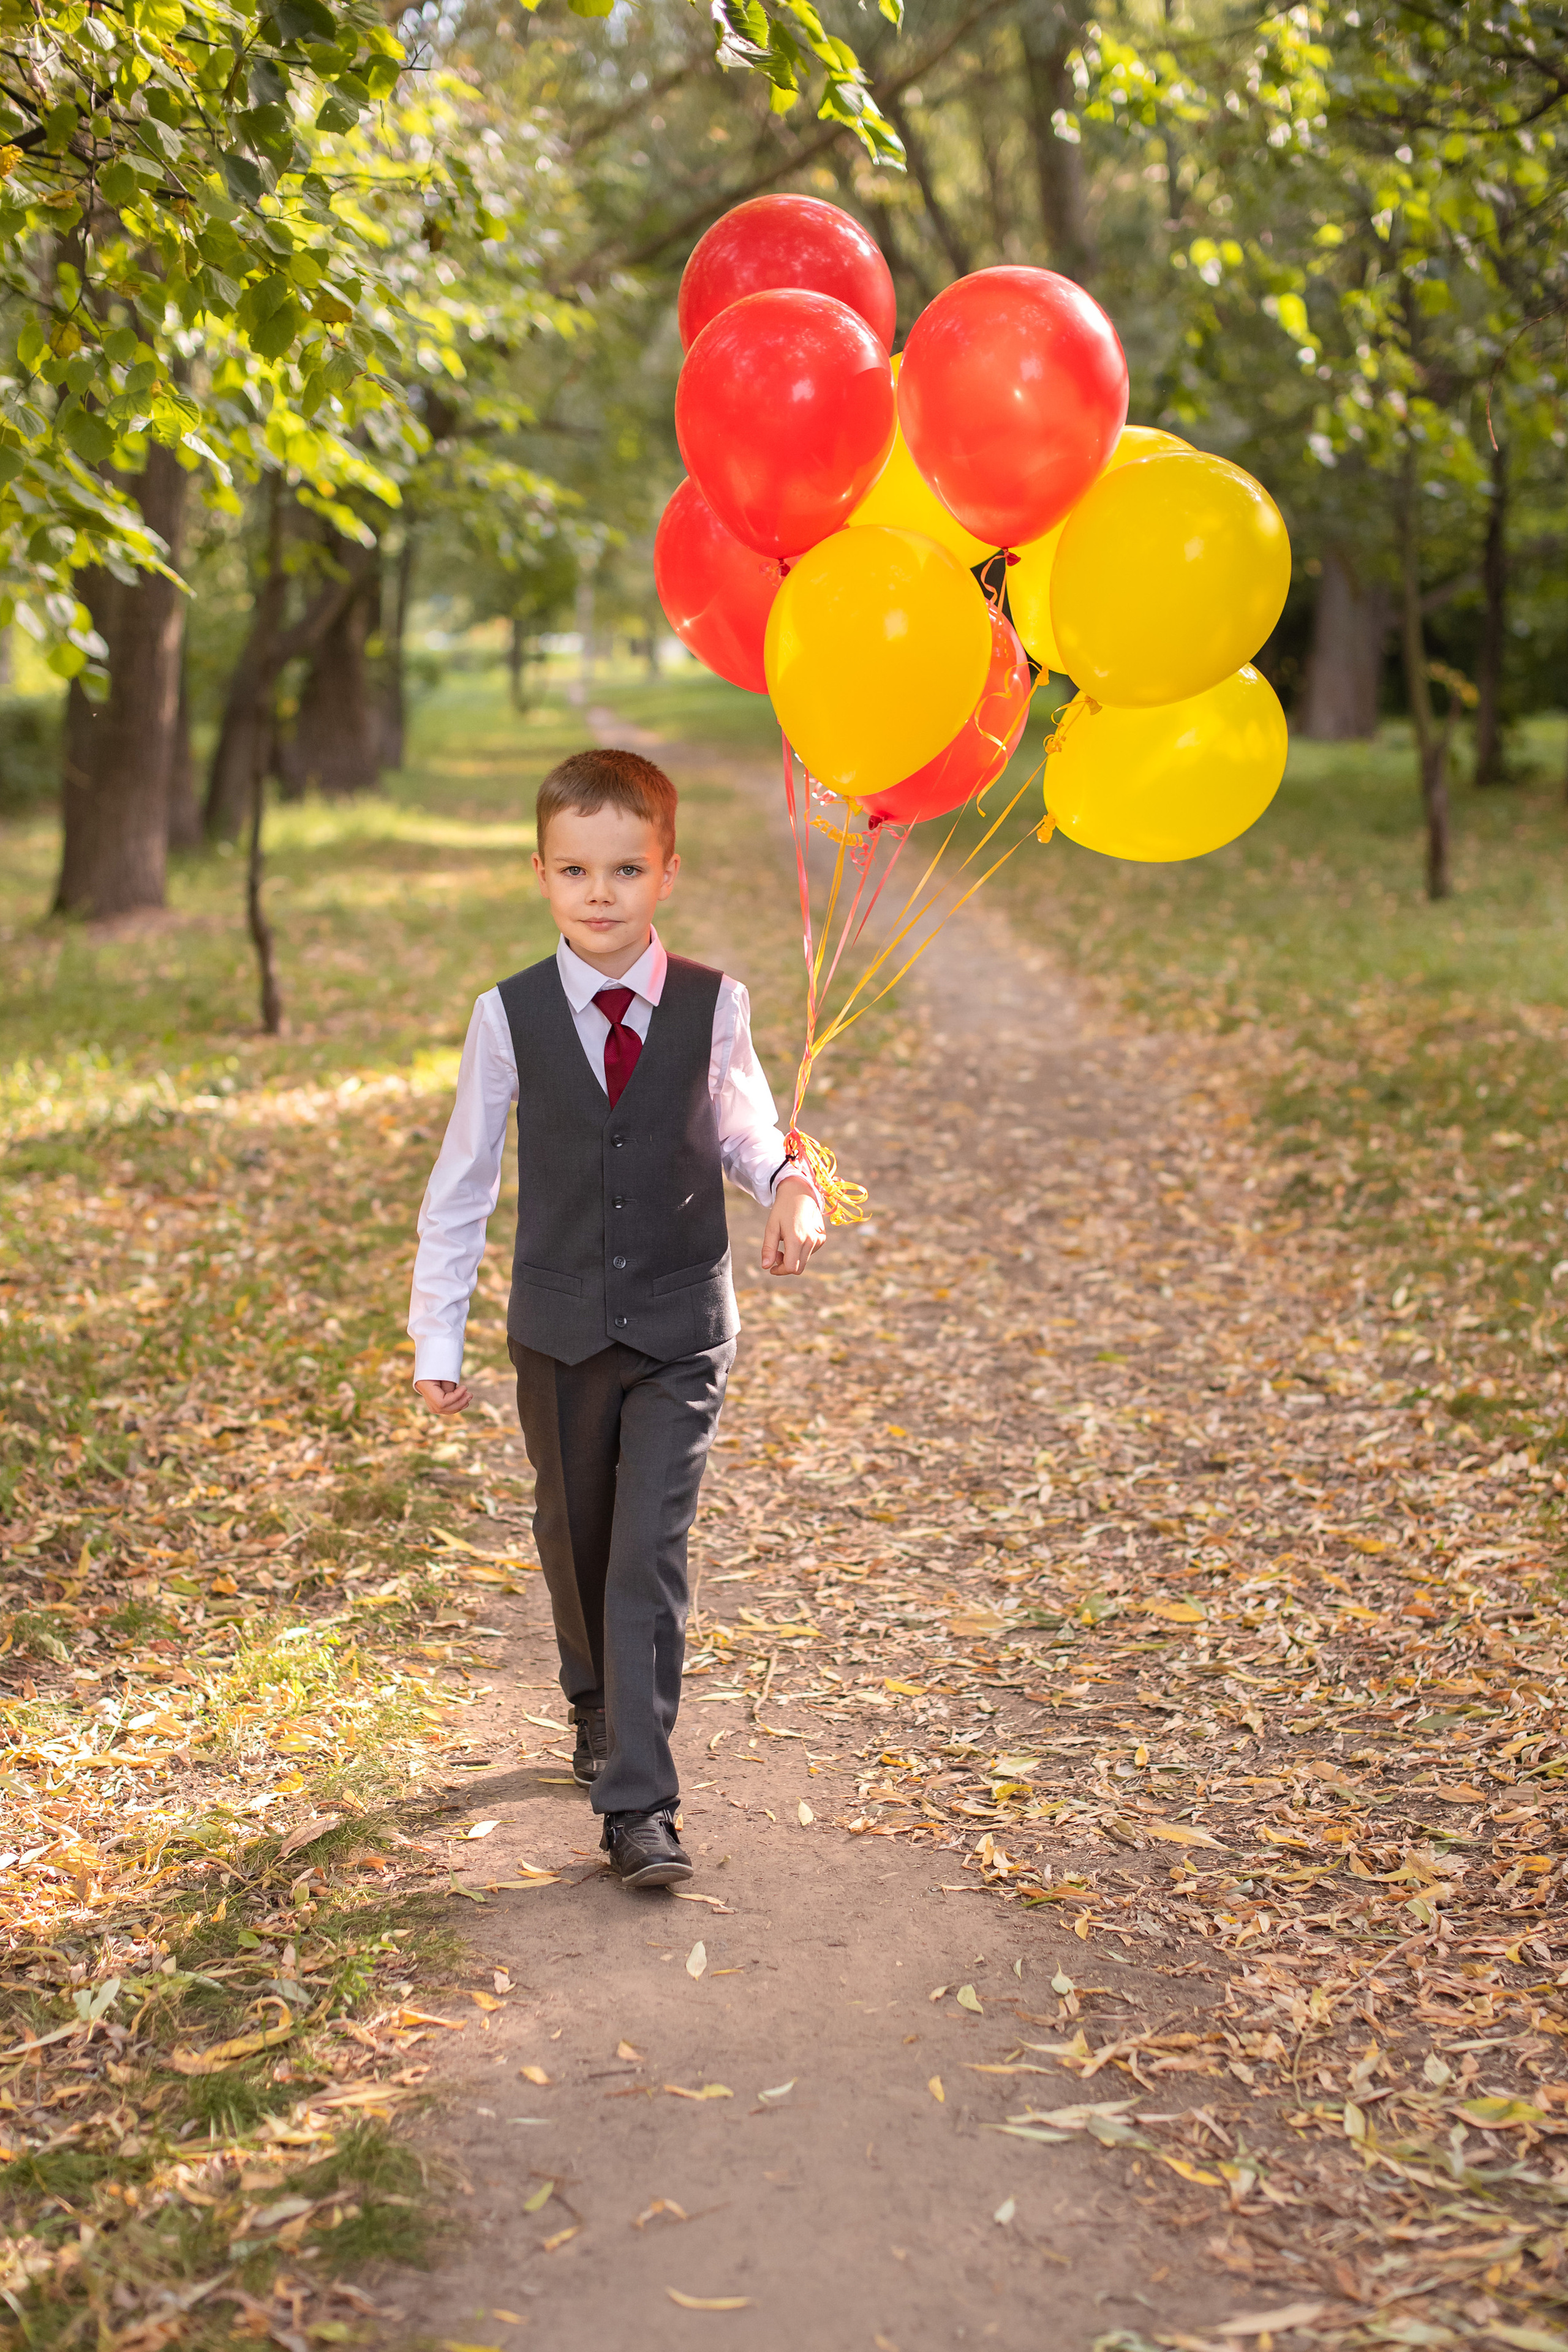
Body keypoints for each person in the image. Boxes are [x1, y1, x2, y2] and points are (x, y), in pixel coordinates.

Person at [408, 747, 826, 1888]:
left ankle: (640, 1803)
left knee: (647, 1550)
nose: (602, 894)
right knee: (574, 1535)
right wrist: (434, 1338)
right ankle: (592, 1702)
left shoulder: (711, 1004)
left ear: (667, 874)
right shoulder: (509, 1018)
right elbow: (463, 1184)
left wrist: (793, 1186)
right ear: (542, 875)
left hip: (683, 1322)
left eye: (627, 869)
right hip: (558, 1328)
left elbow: (746, 1130)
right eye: (577, 871)